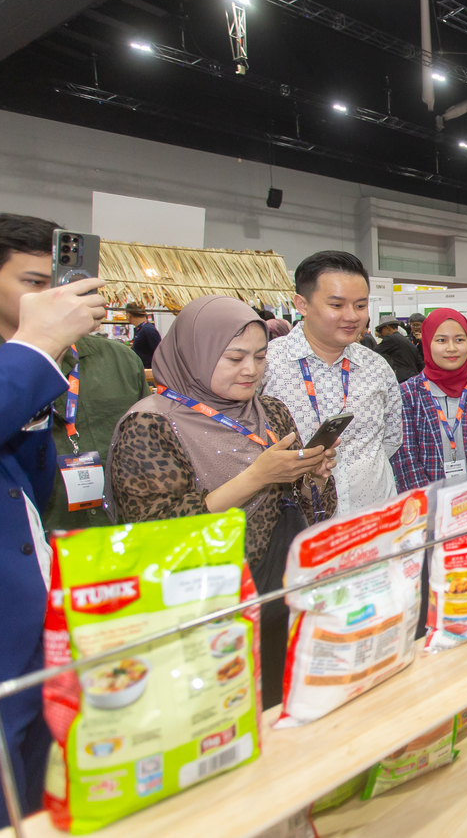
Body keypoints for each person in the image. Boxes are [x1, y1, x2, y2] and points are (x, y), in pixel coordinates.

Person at [110, 296, 337, 709]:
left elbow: (313, 508)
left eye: (259, 356)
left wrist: (311, 476)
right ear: (195, 353)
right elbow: (157, 534)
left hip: (287, 590)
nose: (250, 370)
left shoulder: (271, 411)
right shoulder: (151, 422)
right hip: (208, 609)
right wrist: (255, 478)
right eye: (233, 358)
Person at [0, 271, 107, 831]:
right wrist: (33, 351)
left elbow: (29, 488)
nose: (51, 297)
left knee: (38, 772)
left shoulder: (26, 370)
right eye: (35, 281)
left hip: (30, 602)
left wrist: (32, 408)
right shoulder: (20, 359)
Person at [0, 214, 150, 532]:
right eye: (35, 283)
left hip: (121, 545)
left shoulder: (119, 361)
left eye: (64, 284)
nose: (57, 298)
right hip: (24, 557)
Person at [263, 251, 402, 516]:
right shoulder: (268, 365)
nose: (352, 316)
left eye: (360, 306)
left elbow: (391, 439)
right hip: (299, 524)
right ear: (302, 304)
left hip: (375, 518)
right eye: (337, 305)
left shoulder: (376, 366)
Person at [391, 308, 467, 491]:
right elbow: (406, 459)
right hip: (427, 505)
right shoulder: (407, 393)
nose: (451, 348)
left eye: (459, 340)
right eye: (441, 340)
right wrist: (431, 506)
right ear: (427, 342)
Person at [375, 318, 423, 384]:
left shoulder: (391, 339)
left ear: (387, 327)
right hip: (413, 378)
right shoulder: (406, 341)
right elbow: (420, 363)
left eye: (381, 330)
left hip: (401, 379)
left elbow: (373, 353)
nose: (381, 334)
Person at [125, 302, 161, 368]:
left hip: (147, 370)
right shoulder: (140, 329)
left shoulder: (148, 330)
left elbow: (159, 351)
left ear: (129, 315)